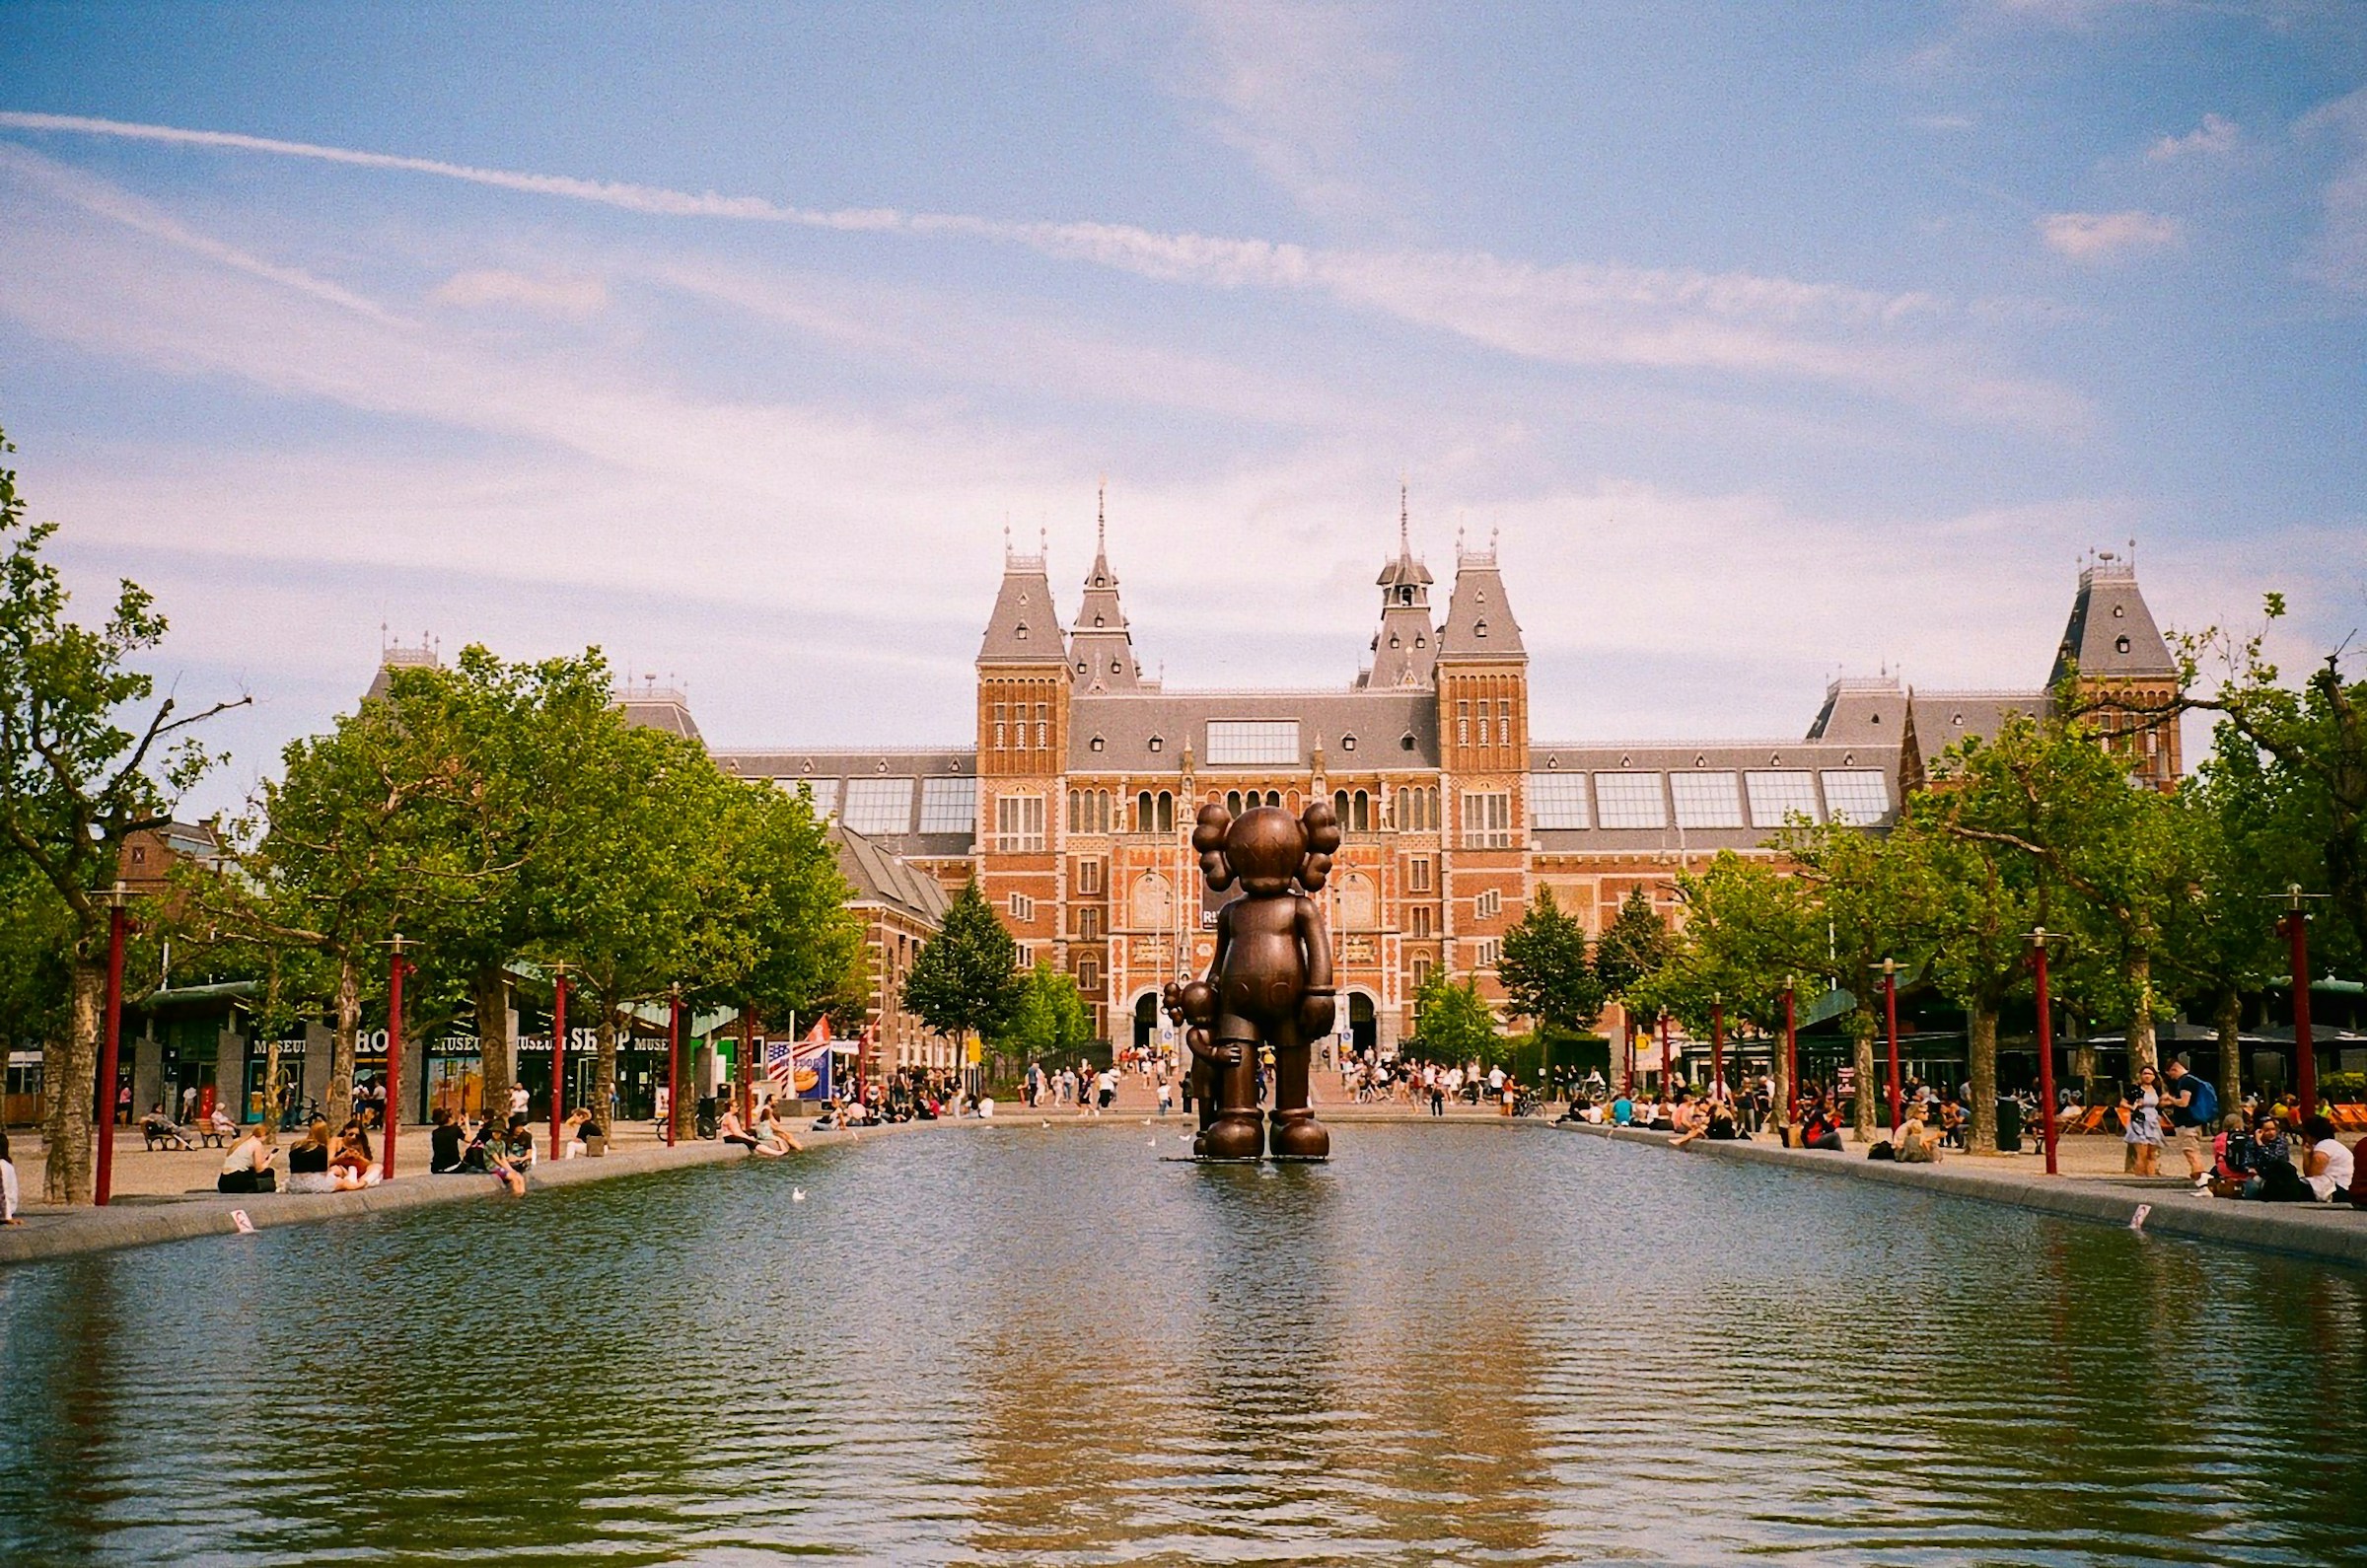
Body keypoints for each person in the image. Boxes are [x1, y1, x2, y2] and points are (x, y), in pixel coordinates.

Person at [2161, 1054, 2218, 1189]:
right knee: (2193, 1151)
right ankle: (2199, 1178)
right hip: (2195, 1122)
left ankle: (2201, 1181)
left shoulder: (2185, 1082)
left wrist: (2170, 1098)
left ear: (2174, 1069)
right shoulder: (2194, 1080)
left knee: (2191, 1152)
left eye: (2170, 1074)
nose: (2171, 1078)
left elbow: (2184, 1102)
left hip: (2187, 1124)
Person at [2301, 1113, 2353, 1204]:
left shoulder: (2323, 1147)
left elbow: (2313, 1175)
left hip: (2338, 1188)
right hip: (2344, 1186)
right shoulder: (2332, 1145)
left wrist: (2306, 1155)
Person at [2121, 1066, 2163, 1177]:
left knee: (2152, 1153)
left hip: (2153, 1121)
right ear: (2141, 1075)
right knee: (2142, 1153)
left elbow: (2160, 1104)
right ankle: (2140, 1177)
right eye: (2145, 1073)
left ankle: (2151, 1175)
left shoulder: (2157, 1089)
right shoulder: (2135, 1089)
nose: (2147, 1076)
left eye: (2150, 1074)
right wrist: (2133, 1107)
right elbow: (2123, 1103)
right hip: (2139, 1121)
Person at [284, 1119, 337, 1192]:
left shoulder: (297, 1145)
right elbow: (324, 1172)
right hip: (316, 1183)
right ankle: (358, 1183)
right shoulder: (322, 1149)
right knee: (341, 1181)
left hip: (295, 1183)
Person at [330, 1121, 379, 1190]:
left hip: (358, 1172)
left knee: (378, 1166)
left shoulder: (360, 1144)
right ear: (346, 1130)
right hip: (342, 1170)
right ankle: (356, 1182)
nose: (353, 1137)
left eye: (357, 1135)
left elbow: (368, 1164)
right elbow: (329, 1161)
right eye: (351, 1134)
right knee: (336, 1169)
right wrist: (342, 1156)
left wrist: (358, 1157)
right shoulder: (336, 1141)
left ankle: (362, 1183)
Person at [430, 1107, 467, 1174]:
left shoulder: (435, 1132)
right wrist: (467, 1123)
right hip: (453, 1166)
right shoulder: (455, 1130)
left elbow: (449, 1132)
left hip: (437, 1167)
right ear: (449, 1119)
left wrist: (458, 1126)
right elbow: (469, 1139)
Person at [0, 1128, 20, 1224]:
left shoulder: (2, 1165)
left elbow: (3, 1191)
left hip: (5, 1209)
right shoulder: (7, 1165)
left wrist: (7, 1217)